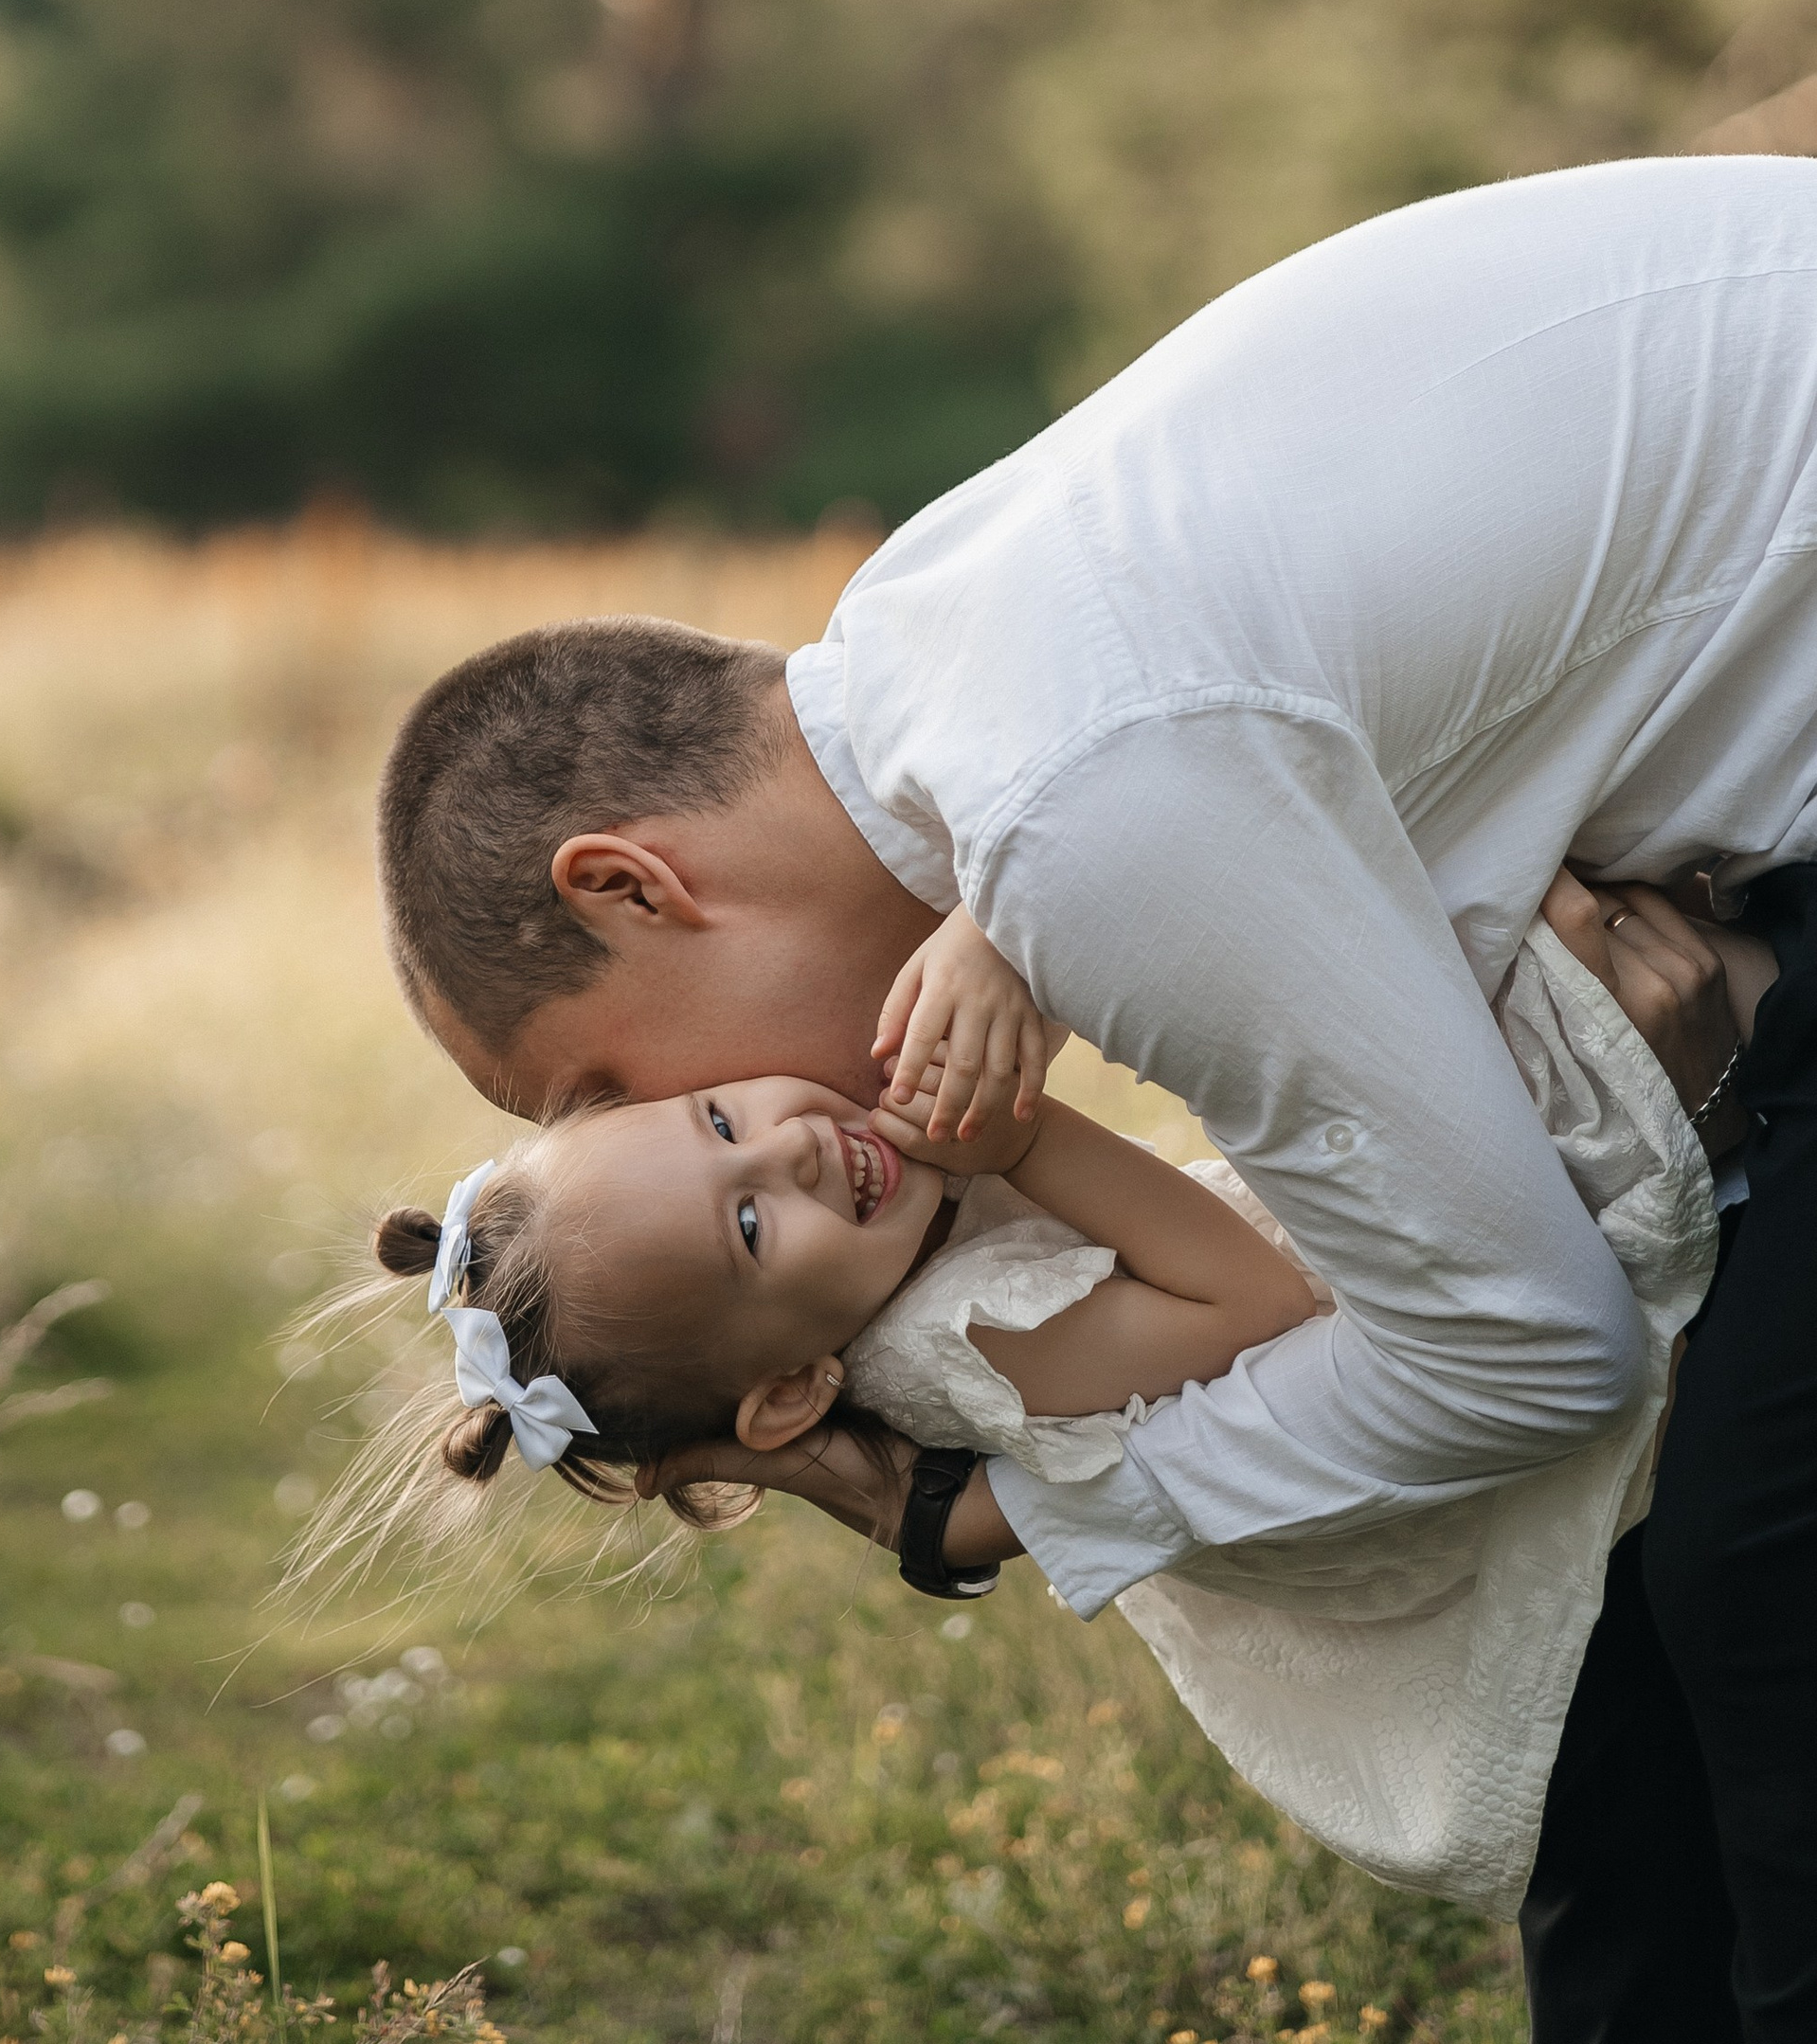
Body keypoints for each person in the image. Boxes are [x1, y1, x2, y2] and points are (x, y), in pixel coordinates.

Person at [375, 151, 1817, 2042]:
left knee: (1757, 1562)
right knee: (1656, 1659)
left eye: (631, 1086)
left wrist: (994, 1517)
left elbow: (1531, 1351)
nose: (737, 1117)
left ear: (630, 885)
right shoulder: (945, 636)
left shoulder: (1071, 818)